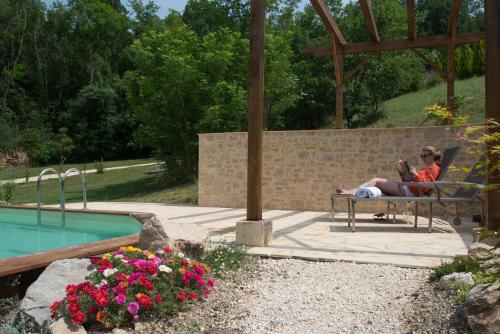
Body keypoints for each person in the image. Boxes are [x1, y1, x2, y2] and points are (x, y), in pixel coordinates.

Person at [336, 146, 441, 197]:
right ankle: (352, 192)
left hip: (409, 191)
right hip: (407, 187)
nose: (422, 158)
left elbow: (425, 185)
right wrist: (404, 172)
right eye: (421, 156)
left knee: (376, 180)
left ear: (432, 156)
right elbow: (417, 181)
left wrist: (415, 175)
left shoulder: (433, 169)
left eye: (425, 156)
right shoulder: (427, 167)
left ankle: (352, 192)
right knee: (376, 185)